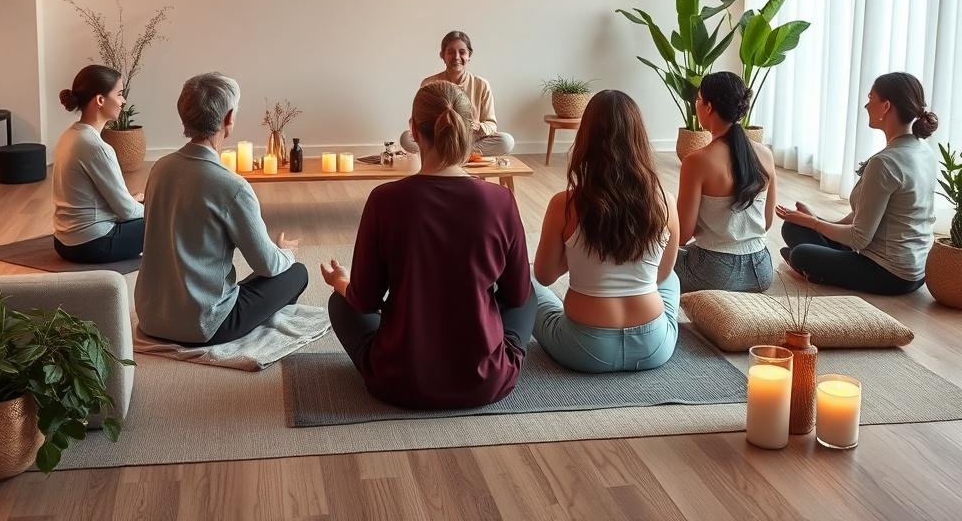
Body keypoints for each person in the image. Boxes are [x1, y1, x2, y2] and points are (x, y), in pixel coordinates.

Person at [322, 80, 536, 408]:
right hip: (483, 382)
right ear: (470, 131)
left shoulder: (385, 200)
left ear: (413, 131)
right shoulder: (500, 200)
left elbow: (364, 301)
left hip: (400, 381)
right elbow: (517, 294)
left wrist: (341, 283)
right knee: (528, 294)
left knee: (340, 303)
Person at [135, 72, 308, 345]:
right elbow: (267, 265)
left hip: (151, 318)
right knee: (295, 273)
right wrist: (286, 252)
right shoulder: (232, 186)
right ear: (229, 118)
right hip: (204, 325)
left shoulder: (160, 168)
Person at [531, 90, 680, 373]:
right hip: (653, 347)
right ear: (639, 139)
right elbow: (661, 274)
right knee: (671, 278)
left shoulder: (565, 204)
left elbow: (544, 276)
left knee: (524, 282)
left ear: (586, 138)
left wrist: (574, 251)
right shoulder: (665, 201)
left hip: (584, 349)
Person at [777, 72, 937, 295]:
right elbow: (865, 216)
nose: (866, 105)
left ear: (886, 106)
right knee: (793, 226)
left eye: (871, 98)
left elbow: (859, 238)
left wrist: (814, 223)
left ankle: (813, 267)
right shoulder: (924, 150)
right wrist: (816, 219)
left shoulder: (885, 162)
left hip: (889, 273)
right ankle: (818, 265)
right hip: (916, 271)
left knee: (801, 253)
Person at [674, 72, 777, 292]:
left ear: (708, 107)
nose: (696, 105)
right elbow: (767, 222)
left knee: (648, 261)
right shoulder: (765, 155)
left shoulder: (697, 161)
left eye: (698, 100)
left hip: (714, 273)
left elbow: (682, 235)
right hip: (761, 269)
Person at [53, 65, 145, 264]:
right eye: (119, 94)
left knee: (140, 205)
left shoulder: (69, 135)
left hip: (63, 243)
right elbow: (127, 212)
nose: (124, 101)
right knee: (170, 219)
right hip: (93, 244)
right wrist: (156, 210)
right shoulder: (97, 147)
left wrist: (133, 202)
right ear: (100, 100)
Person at [399, 30, 515, 156]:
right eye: (450, 52)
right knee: (406, 138)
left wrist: (478, 127)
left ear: (469, 55)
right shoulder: (429, 83)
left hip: (470, 141)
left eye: (462, 52)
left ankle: (446, 156)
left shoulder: (481, 85)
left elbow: (491, 124)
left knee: (506, 141)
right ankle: (459, 156)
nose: (456, 57)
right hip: (438, 140)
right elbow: (419, 120)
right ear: (442, 55)